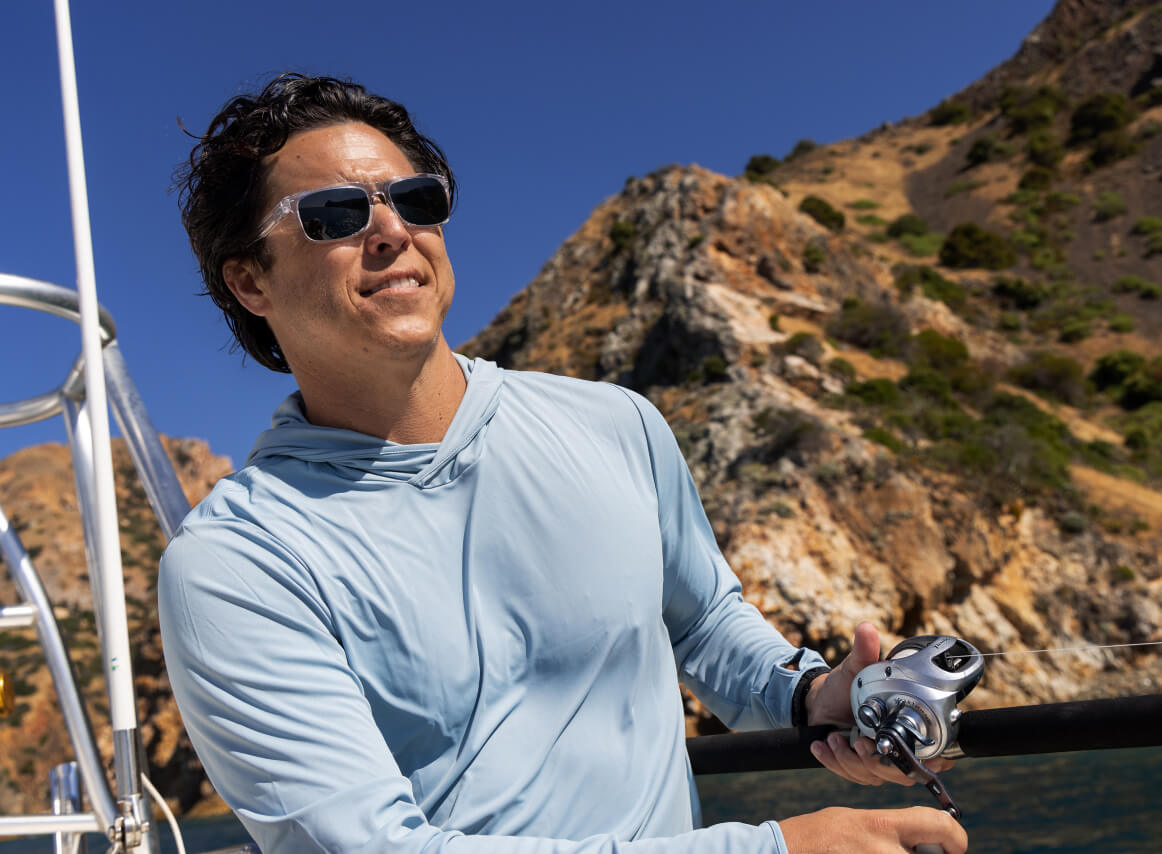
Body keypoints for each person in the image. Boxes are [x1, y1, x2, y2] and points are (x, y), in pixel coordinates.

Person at [160, 73, 967, 854]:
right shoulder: (235, 564)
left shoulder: (615, 424)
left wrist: (811, 695)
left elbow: (702, 623)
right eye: (334, 215)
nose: (391, 231)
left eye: (416, 200)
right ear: (249, 280)